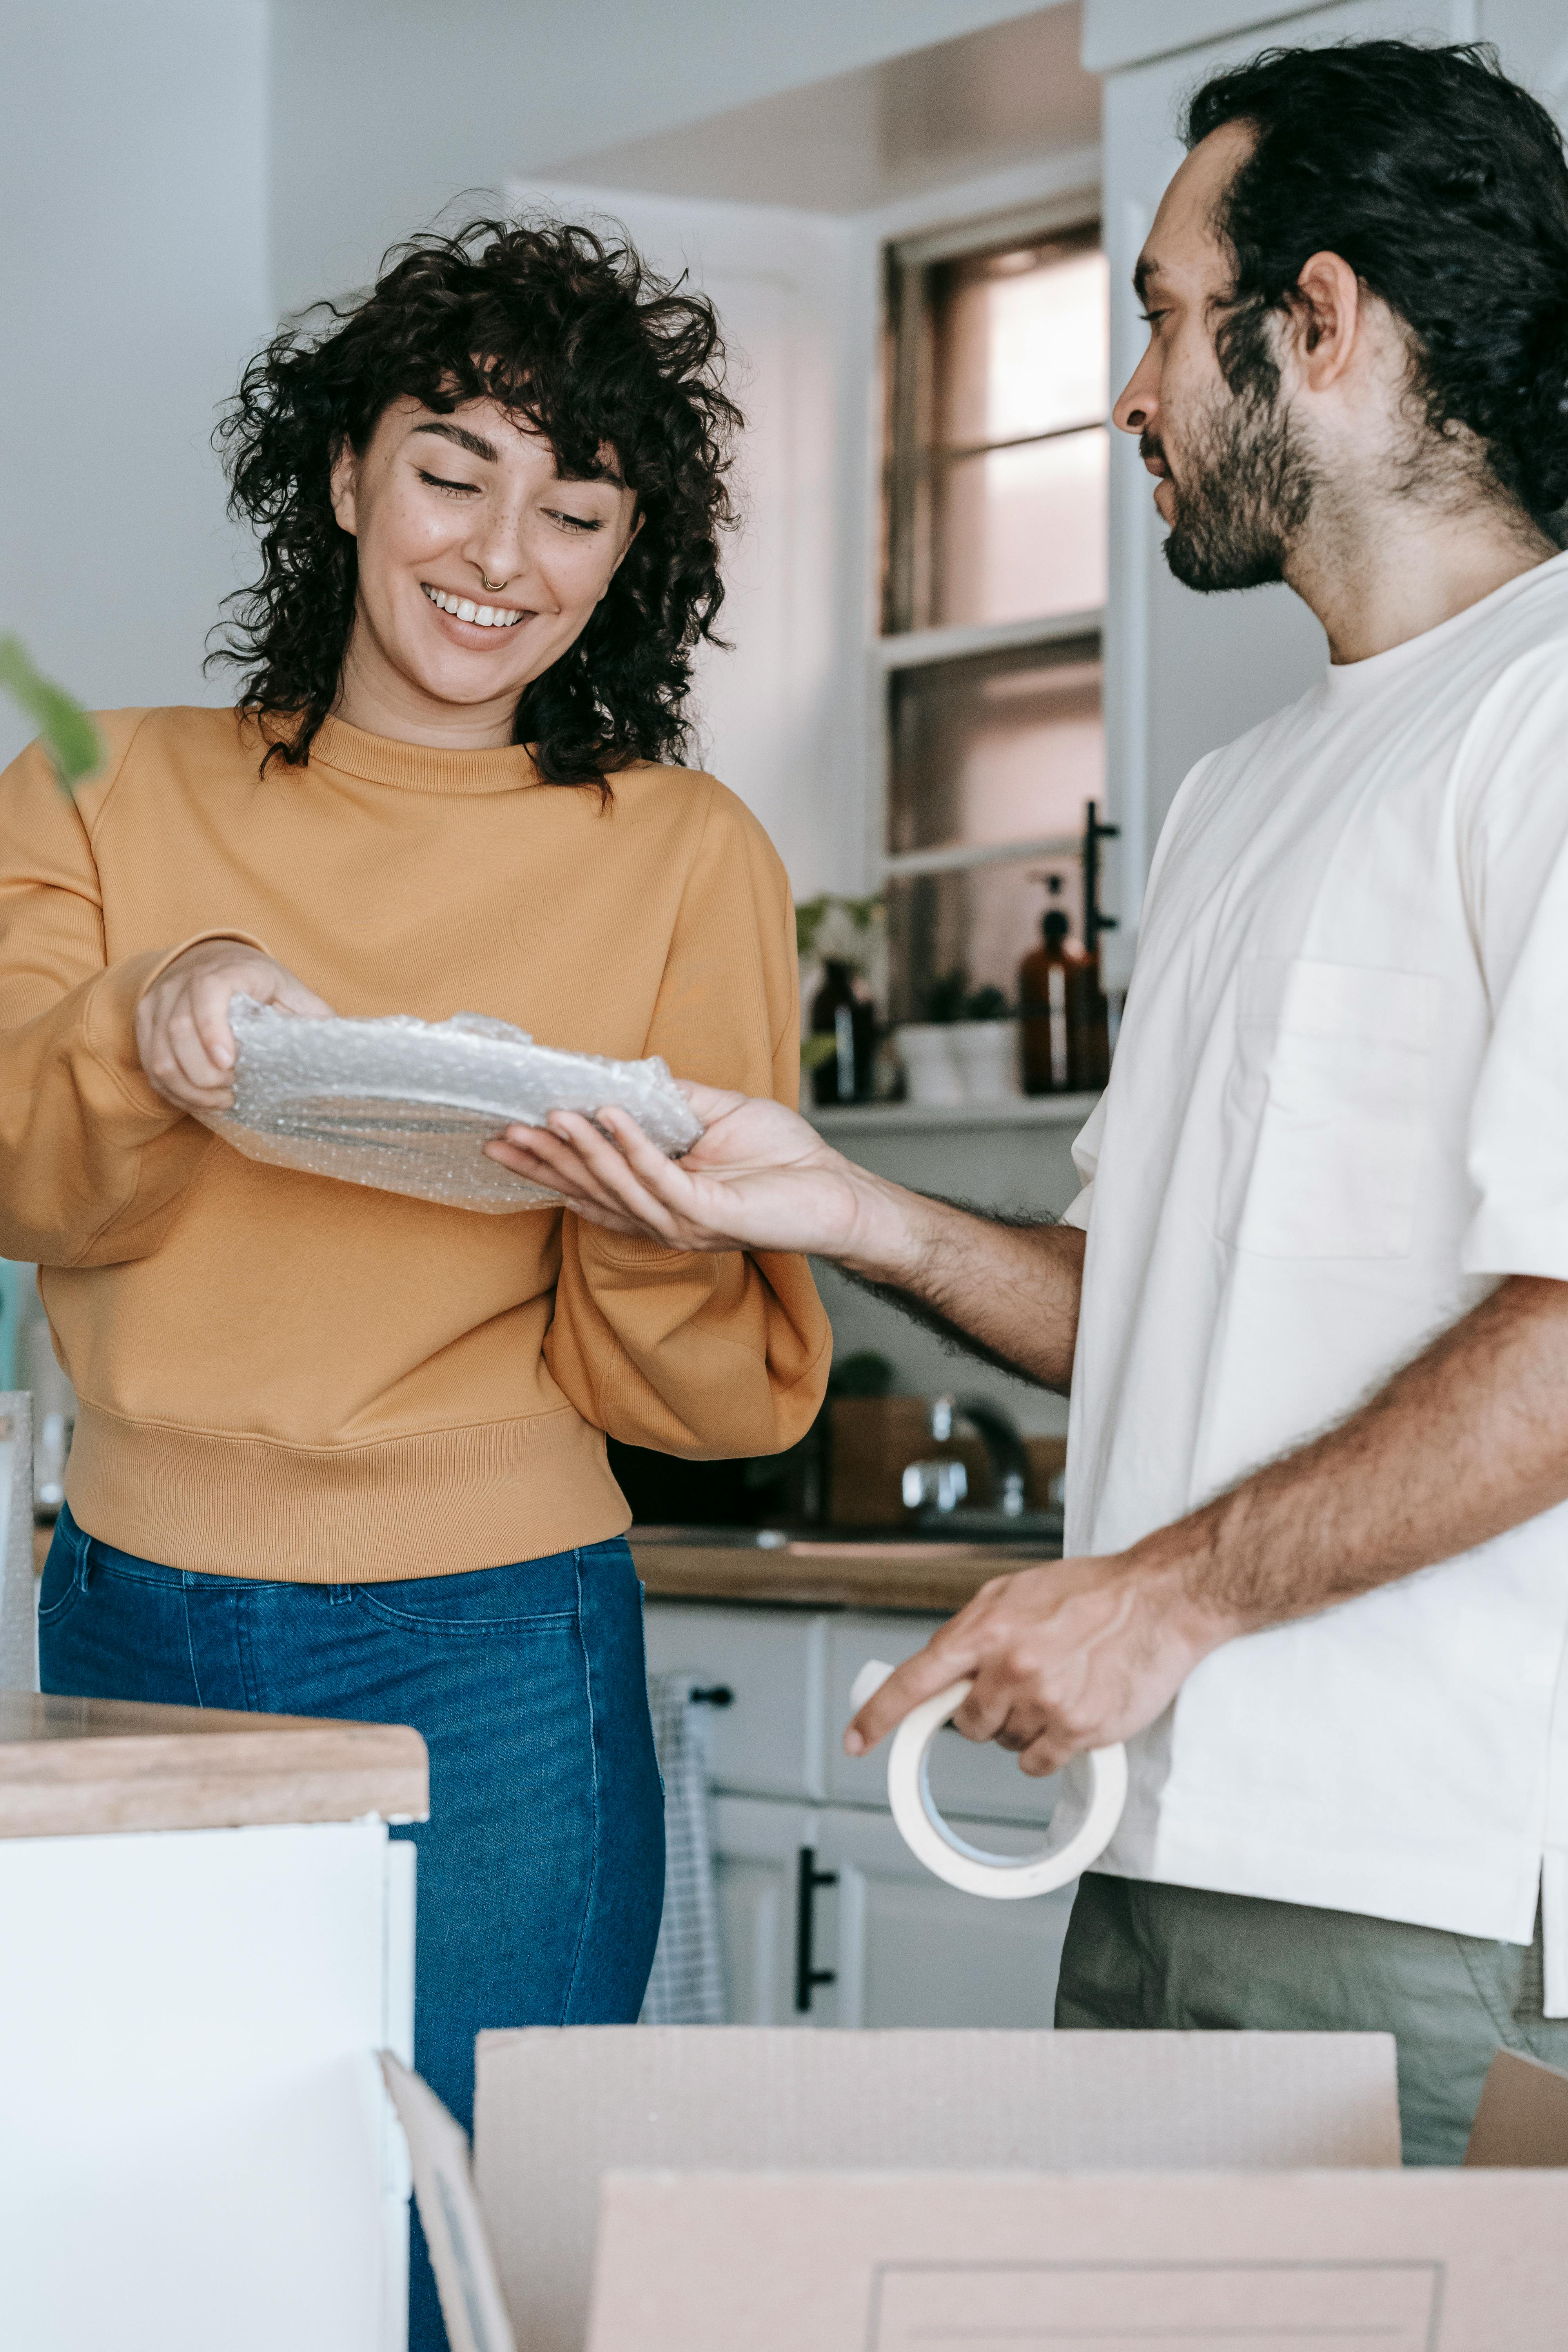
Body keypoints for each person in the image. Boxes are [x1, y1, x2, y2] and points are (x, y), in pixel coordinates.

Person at [487, 42, 1568, 2163]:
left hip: (1417, 1871)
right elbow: (1166, 1305)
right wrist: (847, 1214)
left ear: (1323, 322)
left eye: (1166, 316)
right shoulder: (1246, 792)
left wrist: (1156, 1598)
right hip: (1158, 1837)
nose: (1135, 392)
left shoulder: (1546, 726)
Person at [1, 217, 829, 2348]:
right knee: (147, 2266)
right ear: (346, 472)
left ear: (629, 552)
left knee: (450, 2282)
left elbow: (728, 1403)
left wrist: (653, 1233)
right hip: (130, 1617)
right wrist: (153, 1007)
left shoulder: (688, 854)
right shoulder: (106, 784)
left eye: (579, 509)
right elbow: (27, 1187)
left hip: (505, 1656)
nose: (505, 555)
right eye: (454, 469)